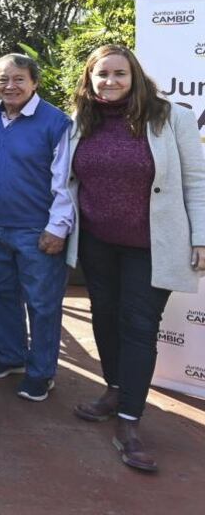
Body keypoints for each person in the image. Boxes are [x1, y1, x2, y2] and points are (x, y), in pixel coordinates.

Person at [66, 45, 205, 472]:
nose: (109, 81)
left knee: (139, 325)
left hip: (152, 245)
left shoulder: (170, 117)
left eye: (118, 74)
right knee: (104, 318)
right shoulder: (80, 121)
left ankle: (129, 420)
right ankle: (114, 389)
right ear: (89, 79)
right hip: (97, 242)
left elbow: (197, 180)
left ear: (135, 76)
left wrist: (201, 237)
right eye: (101, 74)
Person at [0, 53, 73, 402]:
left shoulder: (56, 123)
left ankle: (41, 372)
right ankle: (10, 355)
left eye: (18, 79)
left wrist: (57, 227)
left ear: (34, 82)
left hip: (37, 230)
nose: (10, 86)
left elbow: (66, 181)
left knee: (42, 303)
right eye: (3, 79)